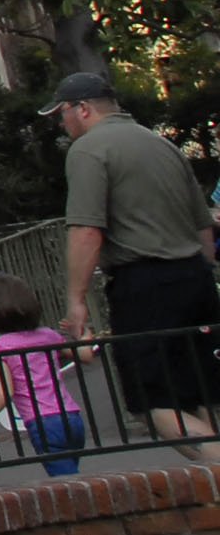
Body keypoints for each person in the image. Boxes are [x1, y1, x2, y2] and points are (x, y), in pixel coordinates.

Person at [44, 70, 220, 461]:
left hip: (144, 284)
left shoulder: (89, 150)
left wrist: (76, 301)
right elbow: (203, 226)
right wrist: (202, 272)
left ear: (83, 109)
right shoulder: (162, 144)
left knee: (157, 402)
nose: (62, 122)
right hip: (195, 276)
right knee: (201, 392)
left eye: (62, 113)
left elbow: (87, 230)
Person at [0, 274, 89, 477]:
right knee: (71, 476)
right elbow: (85, 355)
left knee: (68, 485)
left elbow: (5, 391)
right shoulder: (48, 336)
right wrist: (82, 331)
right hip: (72, 417)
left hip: (42, 422)